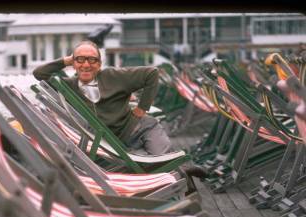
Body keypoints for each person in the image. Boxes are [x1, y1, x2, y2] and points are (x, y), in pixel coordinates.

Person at [33, 39, 208, 182]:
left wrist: (142, 108)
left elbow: (151, 74)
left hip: (125, 131)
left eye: (92, 60)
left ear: (99, 64)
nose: (86, 64)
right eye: (80, 60)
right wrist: (67, 60)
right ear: (73, 63)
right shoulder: (69, 86)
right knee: (150, 128)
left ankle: (172, 167)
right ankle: (175, 170)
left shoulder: (113, 76)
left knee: (148, 122)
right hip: (107, 142)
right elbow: (39, 73)